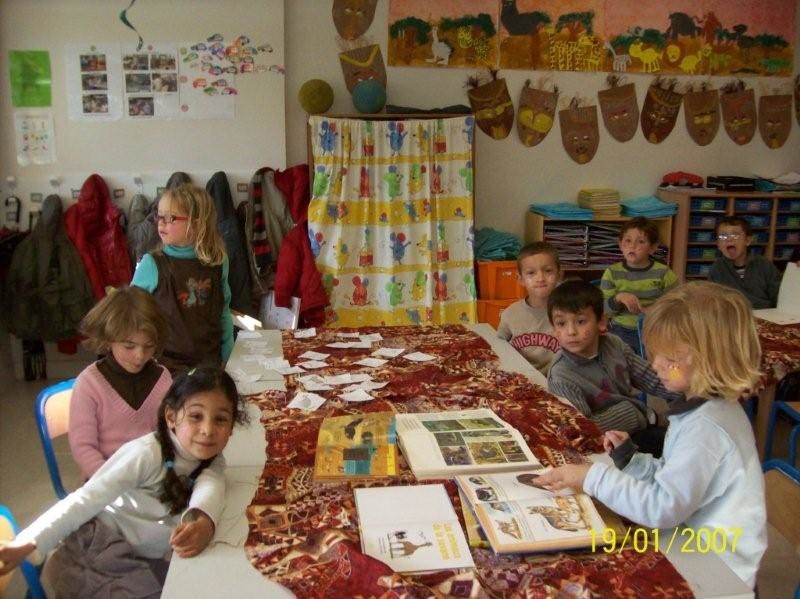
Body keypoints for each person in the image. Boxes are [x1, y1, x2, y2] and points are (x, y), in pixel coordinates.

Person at [536, 282, 767, 589]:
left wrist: (593, 477)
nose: (656, 364)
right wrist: (632, 460)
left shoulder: (706, 428)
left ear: (711, 362)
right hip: (695, 535)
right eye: (657, 353)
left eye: (669, 359)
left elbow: (662, 508)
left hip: (719, 567)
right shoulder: (705, 409)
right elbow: (674, 479)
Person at [0, 367, 247, 598]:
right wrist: (31, 540)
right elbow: (84, 500)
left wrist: (204, 522)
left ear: (232, 426)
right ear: (171, 417)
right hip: (97, 551)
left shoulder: (210, 457)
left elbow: (211, 482)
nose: (207, 429)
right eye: (196, 416)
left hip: (144, 553)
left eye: (220, 419)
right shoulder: (146, 453)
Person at [547, 280, 683, 457]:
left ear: (602, 322)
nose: (571, 331)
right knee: (677, 454)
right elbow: (581, 430)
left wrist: (692, 392)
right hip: (606, 446)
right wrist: (635, 413)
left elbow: (652, 378)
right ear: (554, 330)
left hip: (640, 425)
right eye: (561, 324)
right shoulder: (561, 376)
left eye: (580, 321)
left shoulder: (614, 344)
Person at [70, 286, 172, 478]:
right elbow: (83, 449)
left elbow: (172, 436)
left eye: (148, 346)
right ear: (108, 339)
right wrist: (114, 483)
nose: (139, 356)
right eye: (129, 346)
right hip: (105, 482)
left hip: (154, 478)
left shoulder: (163, 377)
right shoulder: (89, 384)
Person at [132, 183, 234, 373]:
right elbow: (129, 315)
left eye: (170, 218)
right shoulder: (152, 264)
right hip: (165, 368)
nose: (161, 222)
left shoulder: (218, 262)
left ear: (197, 223)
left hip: (209, 365)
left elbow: (223, 313)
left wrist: (229, 356)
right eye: (159, 216)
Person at [600, 217, 678, 352]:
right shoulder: (611, 272)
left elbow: (678, 303)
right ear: (620, 244)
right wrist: (618, 298)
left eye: (640, 241)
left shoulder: (664, 272)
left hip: (653, 328)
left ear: (653, 248)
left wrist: (654, 311)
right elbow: (603, 310)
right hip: (620, 329)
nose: (632, 246)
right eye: (628, 240)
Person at [497, 242, 562, 374]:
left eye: (548, 271)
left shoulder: (569, 313)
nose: (540, 278)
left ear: (559, 275)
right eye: (531, 273)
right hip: (520, 380)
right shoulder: (511, 314)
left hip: (557, 382)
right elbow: (498, 348)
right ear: (520, 279)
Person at [709, 215, 781, 309]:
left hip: (764, 316)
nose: (729, 239)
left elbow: (779, 297)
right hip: (733, 317)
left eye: (735, 235)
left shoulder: (764, 264)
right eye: (723, 236)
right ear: (718, 245)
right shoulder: (717, 268)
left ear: (747, 240)